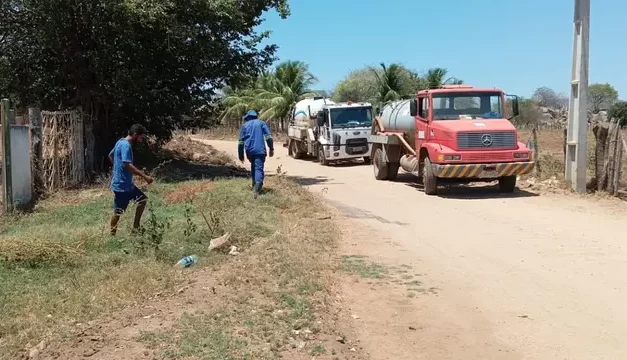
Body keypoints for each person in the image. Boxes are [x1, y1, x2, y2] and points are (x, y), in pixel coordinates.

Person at [108, 124, 153, 235]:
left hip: (126, 184)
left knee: (142, 200)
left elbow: (110, 155)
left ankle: (136, 228)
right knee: (118, 212)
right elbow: (127, 164)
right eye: (141, 137)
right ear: (135, 135)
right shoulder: (126, 146)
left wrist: (117, 168)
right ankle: (112, 235)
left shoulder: (120, 142)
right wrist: (144, 176)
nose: (141, 140)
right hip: (122, 186)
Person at [238, 110, 274, 197]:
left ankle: (254, 185)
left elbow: (240, 142)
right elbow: (268, 137)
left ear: (248, 117)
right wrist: (271, 148)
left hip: (249, 150)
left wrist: (241, 155)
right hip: (259, 150)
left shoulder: (244, 126)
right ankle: (257, 190)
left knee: (253, 165)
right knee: (258, 168)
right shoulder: (261, 123)